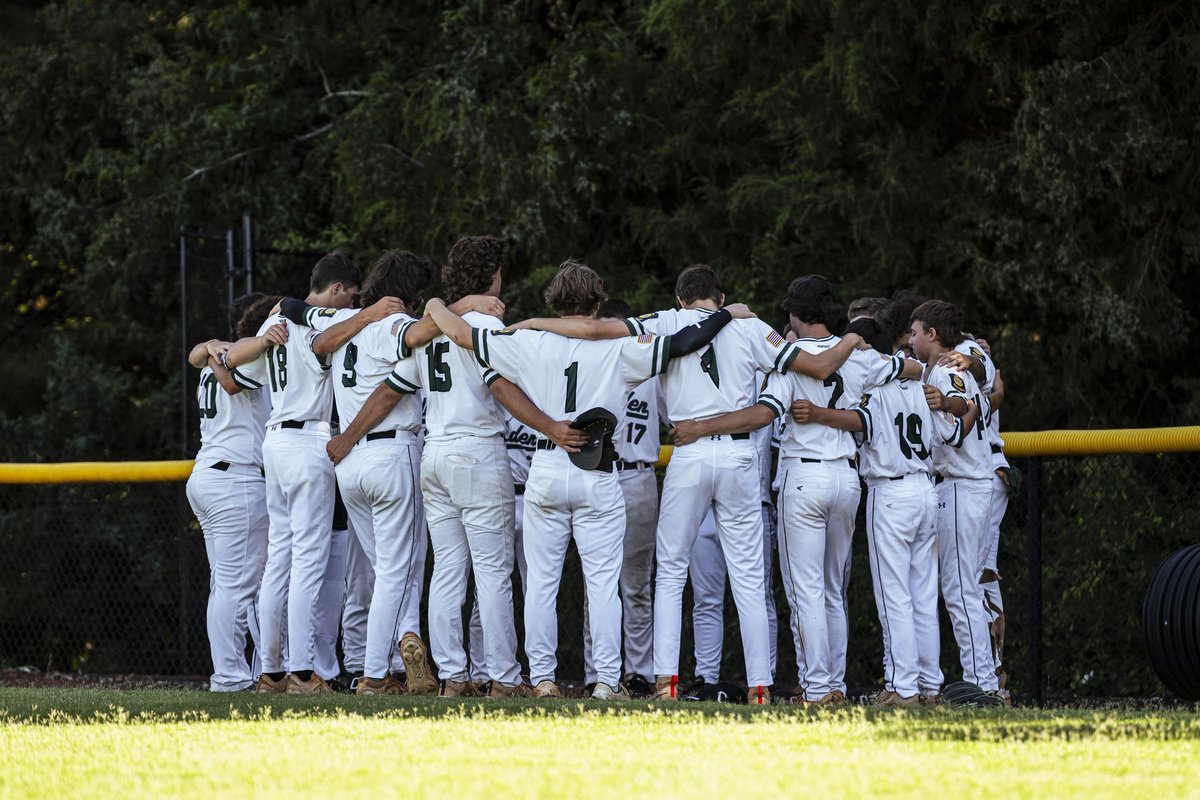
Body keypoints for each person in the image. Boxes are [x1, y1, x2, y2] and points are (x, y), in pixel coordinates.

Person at [516, 264, 860, 704]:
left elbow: (592, 329)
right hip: (739, 456)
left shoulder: (664, 320)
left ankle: (667, 682)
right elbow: (816, 365)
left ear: (681, 297)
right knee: (750, 578)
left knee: (672, 571)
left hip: (689, 451)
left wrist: (533, 322)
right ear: (721, 297)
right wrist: (854, 336)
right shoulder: (751, 325)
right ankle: (760, 688)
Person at [425, 259, 743, 700]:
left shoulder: (528, 339)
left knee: (540, 584)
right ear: (597, 302)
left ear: (554, 300)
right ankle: (606, 683)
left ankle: (542, 680)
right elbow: (686, 342)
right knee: (603, 584)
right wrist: (726, 314)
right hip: (596, 469)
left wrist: (436, 303)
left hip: (547, 464)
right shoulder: (618, 345)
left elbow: (460, 335)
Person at [224, 252, 401, 693]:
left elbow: (236, 373)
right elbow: (326, 339)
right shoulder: (317, 317)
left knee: (280, 558)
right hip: (306, 439)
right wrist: (371, 315)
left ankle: (270, 670)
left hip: (275, 440)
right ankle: (302, 671)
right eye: (351, 297)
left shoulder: (273, 322)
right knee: (307, 560)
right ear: (337, 288)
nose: (351, 305)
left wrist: (216, 350)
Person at [788, 316, 942, 706]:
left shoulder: (877, 383)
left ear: (865, 348)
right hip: (926, 487)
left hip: (891, 492)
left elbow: (862, 420)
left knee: (896, 597)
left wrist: (819, 414)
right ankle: (929, 684)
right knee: (924, 595)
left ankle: (903, 687)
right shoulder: (920, 385)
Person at [909, 299, 1004, 703]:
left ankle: (982, 683)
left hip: (963, 483)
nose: (910, 340)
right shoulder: (963, 354)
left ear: (932, 333)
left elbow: (955, 428)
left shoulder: (951, 364)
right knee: (963, 587)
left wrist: (949, 406)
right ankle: (982, 680)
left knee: (961, 588)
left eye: (915, 332)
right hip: (968, 482)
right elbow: (990, 379)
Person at [184, 292, 276, 692]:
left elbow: (196, 356)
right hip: (235, 480)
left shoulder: (213, 355)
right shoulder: (248, 357)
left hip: (208, 474)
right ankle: (230, 676)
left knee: (226, 584)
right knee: (238, 587)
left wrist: (204, 347)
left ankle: (239, 671)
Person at [580, 298, 665, 697]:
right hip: (601, 475)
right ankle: (596, 672)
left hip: (639, 477)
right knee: (597, 583)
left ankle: (639, 671)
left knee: (635, 584)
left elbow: (672, 417)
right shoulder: (591, 367)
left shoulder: (649, 371)